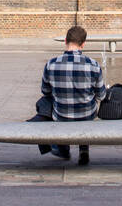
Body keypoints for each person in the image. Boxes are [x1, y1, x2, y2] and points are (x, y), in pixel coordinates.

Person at [35, 25, 108, 165]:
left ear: (65, 41)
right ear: (83, 44)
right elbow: (101, 95)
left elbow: (45, 91)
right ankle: (83, 148)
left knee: (46, 102)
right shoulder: (93, 65)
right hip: (87, 115)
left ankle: (62, 147)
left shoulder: (51, 64)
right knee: (88, 102)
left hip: (61, 115)